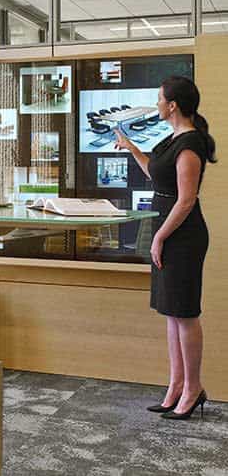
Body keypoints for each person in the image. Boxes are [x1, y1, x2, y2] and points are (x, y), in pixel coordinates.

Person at [114, 76, 216, 420]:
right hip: (166, 229)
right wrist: (131, 148)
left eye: (159, 99)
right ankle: (176, 386)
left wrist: (159, 238)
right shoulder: (171, 139)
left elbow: (186, 200)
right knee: (171, 313)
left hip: (182, 235)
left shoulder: (189, 145)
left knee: (185, 313)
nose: (156, 104)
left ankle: (193, 389)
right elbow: (156, 176)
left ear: (172, 105)